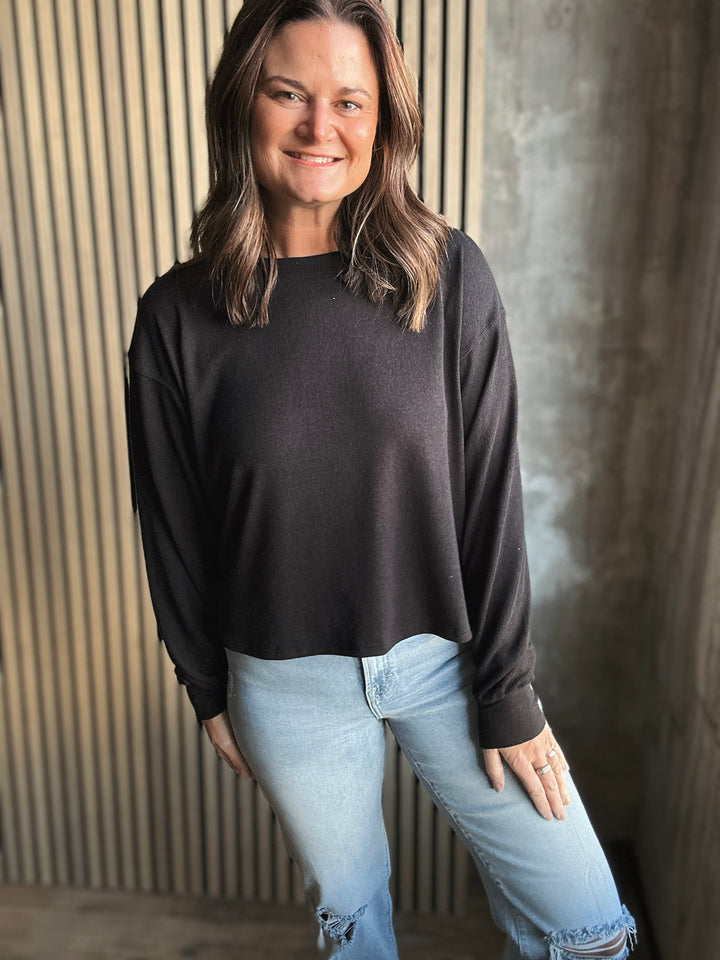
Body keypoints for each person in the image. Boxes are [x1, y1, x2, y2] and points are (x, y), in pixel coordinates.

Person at [127, 1, 637, 957]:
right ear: (244, 101)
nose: (323, 127)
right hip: (284, 683)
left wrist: (510, 688)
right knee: (354, 927)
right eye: (290, 93)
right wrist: (206, 686)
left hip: (451, 658)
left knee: (588, 927)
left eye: (350, 101)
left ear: (382, 122)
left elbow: (490, 496)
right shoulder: (177, 317)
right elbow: (173, 527)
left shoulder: (447, 277)